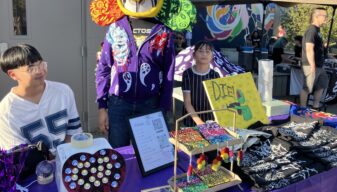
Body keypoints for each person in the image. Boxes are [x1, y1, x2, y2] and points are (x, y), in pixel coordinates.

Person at [96, 16, 175, 148]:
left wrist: (164, 107)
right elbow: (103, 68)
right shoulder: (116, 28)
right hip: (119, 104)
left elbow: (169, 72)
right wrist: (102, 107)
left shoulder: (163, 30)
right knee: (119, 154)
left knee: (151, 154)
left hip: (150, 104)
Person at [0, 44, 82, 152]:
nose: (40, 71)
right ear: (13, 74)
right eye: (31, 68)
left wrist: (62, 157)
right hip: (33, 167)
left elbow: (74, 131)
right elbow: (18, 156)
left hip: (67, 159)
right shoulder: (6, 111)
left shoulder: (63, 91)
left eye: (41, 64)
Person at [182, 41, 220, 126]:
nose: (204, 54)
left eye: (207, 51)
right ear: (194, 55)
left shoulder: (215, 75)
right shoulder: (187, 74)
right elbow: (187, 102)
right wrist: (199, 122)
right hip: (191, 119)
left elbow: (218, 102)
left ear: (212, 56)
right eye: (200, 51)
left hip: (210, 119)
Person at [300, 7, 329, 109]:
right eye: (324, 16)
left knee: (322, 83)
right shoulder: (312, 30)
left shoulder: (317, 30)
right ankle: (302, 109)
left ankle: (315, 107)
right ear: (317, 16)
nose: (326, 18)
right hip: (311, 64)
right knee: (307, 87)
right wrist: (312, 65)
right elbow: (309, 49)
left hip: (319, 65)